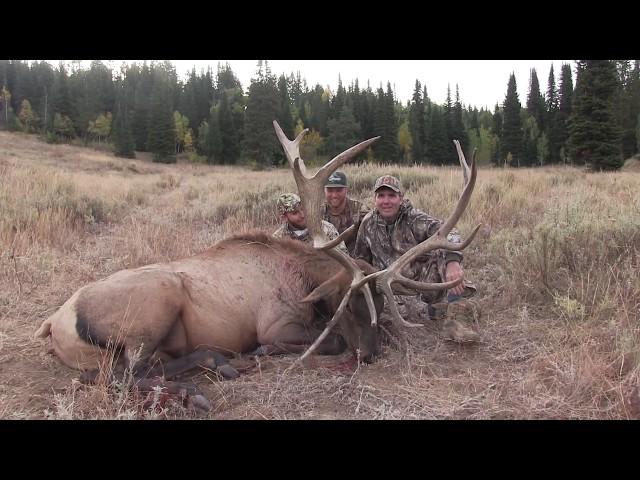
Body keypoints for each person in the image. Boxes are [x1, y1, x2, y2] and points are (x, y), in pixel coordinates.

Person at [354, 175, 480, 343]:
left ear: (401, 198)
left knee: (443, 258)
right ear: (374, 199)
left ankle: (457, 320)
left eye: (391, 196)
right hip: (391, 289)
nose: (386, 201)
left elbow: (449, 232)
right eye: (381, 196)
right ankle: (434, 310)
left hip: (423, 283)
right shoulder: (368, 223)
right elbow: (360, 259)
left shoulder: (415, 218)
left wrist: (453, 262)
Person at [273, 193, 348, 253]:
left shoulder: (326, 228)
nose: (302, 215)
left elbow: (345, 257)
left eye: (303, 209)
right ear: (284, 218)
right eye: (295, 213)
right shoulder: (277, 239)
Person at [321, 171, 370, 256]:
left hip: (356, 260)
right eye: (330, 190)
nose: (334, 195)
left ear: (347, 190)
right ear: (324, 191)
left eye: (339, 190)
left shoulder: (360, 210)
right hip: (328, 259)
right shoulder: (318, 213)